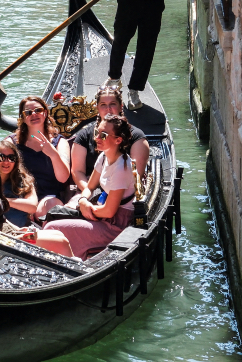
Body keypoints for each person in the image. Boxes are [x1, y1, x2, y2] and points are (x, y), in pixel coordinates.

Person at [43, 114, 138, 259]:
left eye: (103, 135)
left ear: (118, 140)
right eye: (97, 132)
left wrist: (87, 210)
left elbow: (109, 211)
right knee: (51, 218)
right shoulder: (104, 156)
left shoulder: (121, 169)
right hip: (99, 213)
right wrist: (83, 200)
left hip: (115, 225)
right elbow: (90, 186)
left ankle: (69, 264)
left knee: (52, 228)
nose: (97, 138)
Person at [68, 86, 150, 191]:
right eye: (103, 105)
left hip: (123, 194)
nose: (108, 109)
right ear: (97, 108)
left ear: (121, 107)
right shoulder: (84, 135)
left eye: (112, 104)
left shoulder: (137, 137)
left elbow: (135, 177)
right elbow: (77, 171)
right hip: (88, 189)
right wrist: (89, 193)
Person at [15, 96, 72, 219]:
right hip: (22, 197)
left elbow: (63, 178)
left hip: (49, 197)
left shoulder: (60, 143)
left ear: (45, 113)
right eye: (28, 112)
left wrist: (53, 154)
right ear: (23, 118)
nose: (34, 114)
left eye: (38, 110)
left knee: (49, 207)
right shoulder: (12, 144)